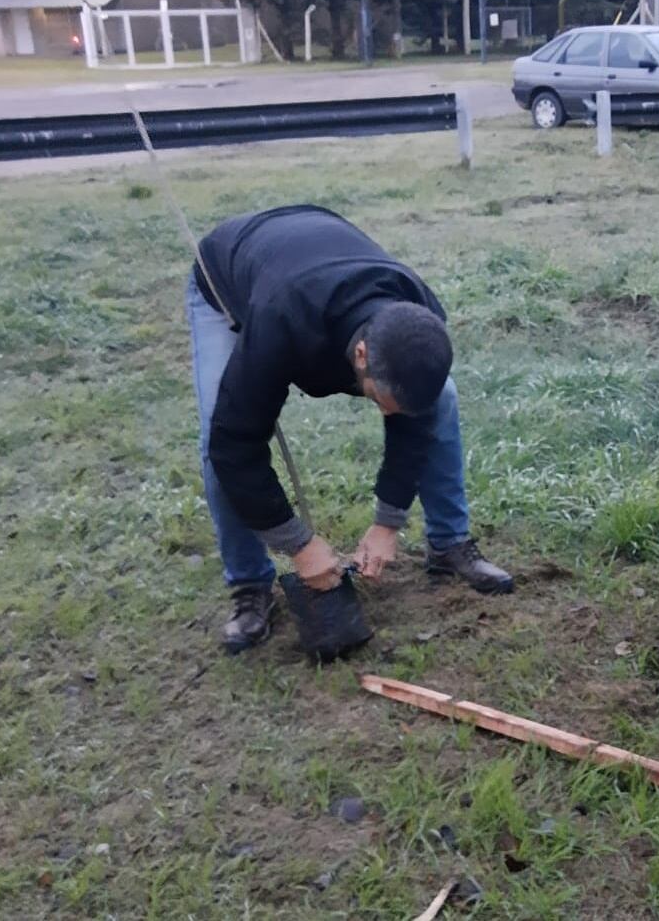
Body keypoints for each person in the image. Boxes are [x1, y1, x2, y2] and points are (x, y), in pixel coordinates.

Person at [186, 205, 513, 654]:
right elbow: (234, 444)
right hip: (226, 276)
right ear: (361, 355)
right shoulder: (280, 319)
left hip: (311, 254)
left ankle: (448, 543)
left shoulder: (418, 313)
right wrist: (299, 545)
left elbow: (414, 417)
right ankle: (249, 586)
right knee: (215, 437)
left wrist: (388, 523)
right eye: (381, 400)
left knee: (443, 399)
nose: (386, 414)